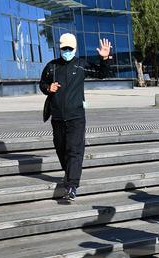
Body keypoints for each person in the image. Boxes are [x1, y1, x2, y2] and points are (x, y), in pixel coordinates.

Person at [39, 33, 111, 200]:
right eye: (64, 48)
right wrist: (48, 87)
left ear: (75, 48)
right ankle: (69, 174)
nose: (67, 51)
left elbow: (101, 73)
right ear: (60, 48)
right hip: (57, 117)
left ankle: (72, 186)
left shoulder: (80, 65)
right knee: (61, 149)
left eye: (70, 48)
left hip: (76, 117)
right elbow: (42, 83)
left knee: (75, 151)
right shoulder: (52, 67)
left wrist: (105, 58)